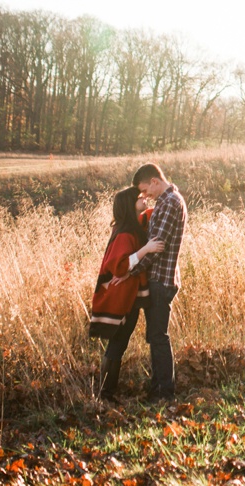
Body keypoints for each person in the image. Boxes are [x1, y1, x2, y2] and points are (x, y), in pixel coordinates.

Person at [89, 186, 162, 400]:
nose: (144, 199)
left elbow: (152, 214)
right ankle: (106, 393)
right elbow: (120, 266)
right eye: (140, 198)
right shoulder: (124, 234)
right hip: (121, 298)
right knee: (118, 343)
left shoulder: (131, 226)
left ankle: (106, 391)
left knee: (119, 342)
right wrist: (146, 249)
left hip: (126, 296)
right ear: (130, 205)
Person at [126, 162, 187, 400]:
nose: (145, 196)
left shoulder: (171, 202)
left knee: (159, 336)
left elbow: (156, 247)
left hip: (162, 279)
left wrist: (128, 271)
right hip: (159, 278)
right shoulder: (164, 201)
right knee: (154, 335)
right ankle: (157, 388)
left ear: (154, 181)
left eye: (145, 190)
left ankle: (164, 392)